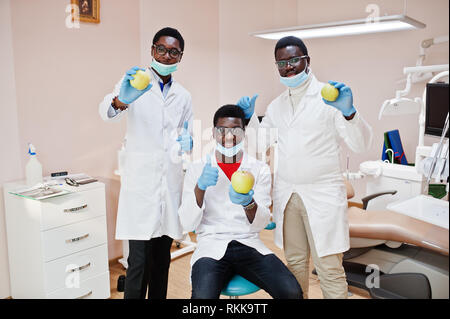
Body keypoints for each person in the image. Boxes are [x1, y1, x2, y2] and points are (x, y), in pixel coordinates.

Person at [237, 36, 373, 299]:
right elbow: (259, 143)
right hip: (289, 196)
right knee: (295, 265)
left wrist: (349, 112)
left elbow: (360, 143)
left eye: (294, 60)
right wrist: (248, 119)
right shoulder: (276, 106)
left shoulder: (328, 98)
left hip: (322, 195)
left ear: (307, 61)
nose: (288, 67)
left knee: (329, 269)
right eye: (281, 63)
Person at [99, 27, 193, 299]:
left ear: (180, 56)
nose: (166, 56)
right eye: (161, 49)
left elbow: (185, 133)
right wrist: (121, 100)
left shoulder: (184, 96)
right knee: (138, 263)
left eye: (173, 51)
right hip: (141, 189)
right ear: (152, 51)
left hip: (169, 185)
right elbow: (107, 112)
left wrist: (189, 142)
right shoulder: (134, 82)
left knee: (162, 261)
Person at [178, 104, 302, 299]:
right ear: (213, 133)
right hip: (211, 244)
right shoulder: (197, 169)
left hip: (248, 243)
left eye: (235, 130)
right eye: (222, 130)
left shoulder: (258, 169)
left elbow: (261, 222)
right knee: (202, 300)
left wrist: (247, 202)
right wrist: (200, 187)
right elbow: (186, 223)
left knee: (291, 292)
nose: (228, 137)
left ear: (244, 133)